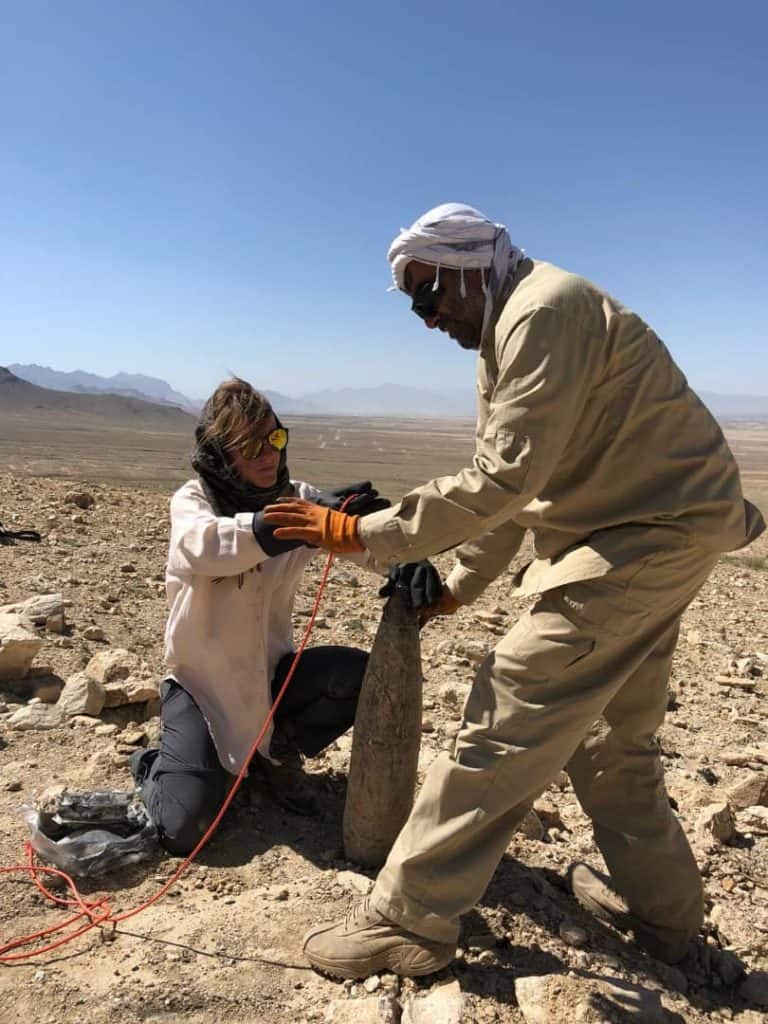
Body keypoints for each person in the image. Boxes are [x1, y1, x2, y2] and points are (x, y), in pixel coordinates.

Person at [263, 203, 766, 979]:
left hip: (649, 533)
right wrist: (458, 585)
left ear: (472, 266)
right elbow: (517, 495)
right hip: (660, 529)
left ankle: (412, 919)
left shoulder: (544, 312)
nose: (425, 317)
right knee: (609, 746)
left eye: (430, 294)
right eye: (412, 304)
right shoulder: (504, 335)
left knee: (511, 706)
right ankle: (666, 922)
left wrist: (356, 534)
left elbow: (500, 480)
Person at [131, 377, 442, 855]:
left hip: (272, 676)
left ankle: (276, 755)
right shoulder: (193, 503)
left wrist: (403, 556)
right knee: (182, 829)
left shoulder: (298, 496)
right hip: (201, 688)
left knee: (362, 677)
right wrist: (302, 522)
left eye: (275, 438)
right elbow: (208, 547)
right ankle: (154, 763)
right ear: (220, 453)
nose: (268, 455)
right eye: (251, 445)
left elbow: (359, 544)